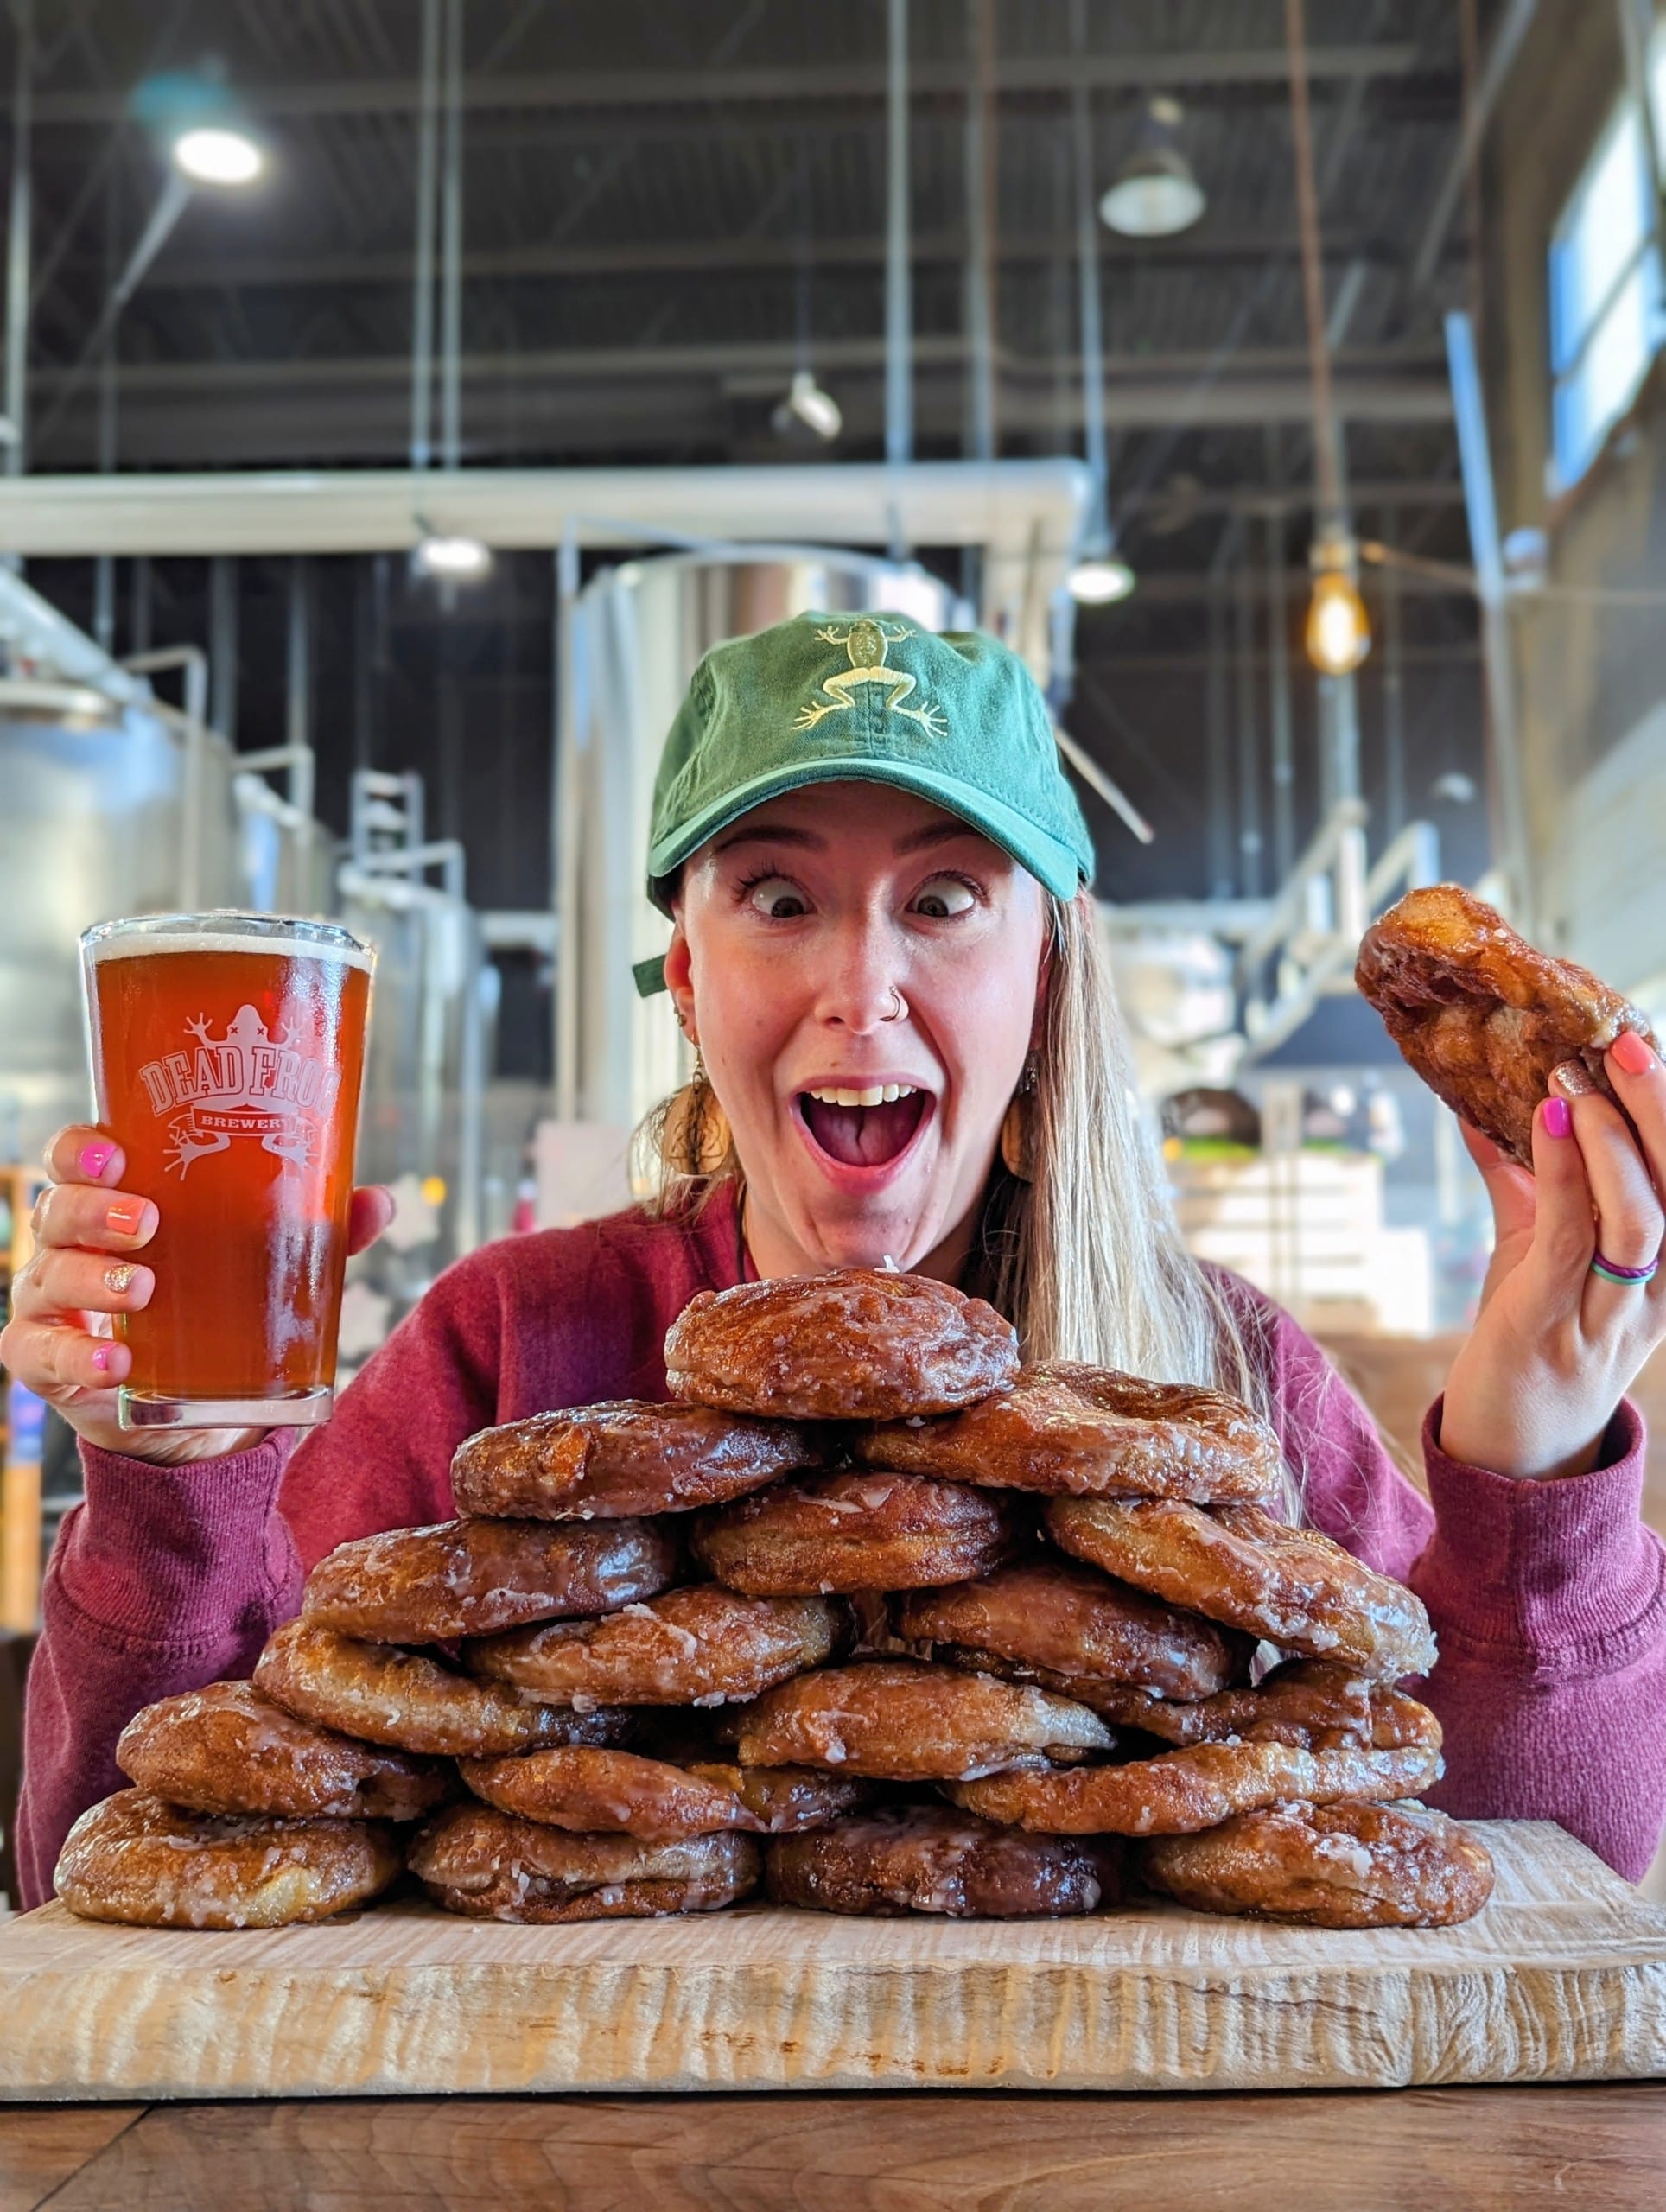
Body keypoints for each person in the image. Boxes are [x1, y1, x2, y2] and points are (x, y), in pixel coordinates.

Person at [7, 610, 1666, 1910]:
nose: (859, 989)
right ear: (686, 966)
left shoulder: (1222, 1383)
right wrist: (177, 1486)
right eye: (778, 895)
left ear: (1046, 977)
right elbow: (137, 1872)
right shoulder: (513, 1348)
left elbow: (1511, 1889)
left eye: (945, 898)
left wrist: (1541, 1445)